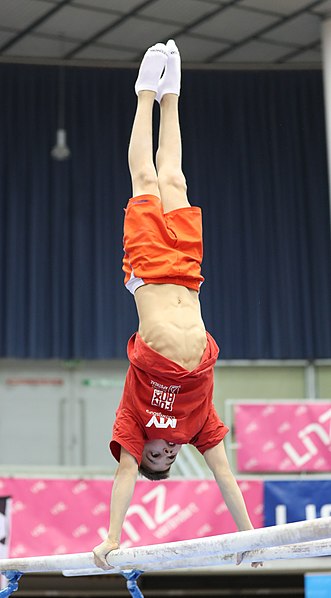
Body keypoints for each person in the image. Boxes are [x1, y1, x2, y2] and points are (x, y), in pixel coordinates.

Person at [93, 41, 261, 569]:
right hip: (187, 276)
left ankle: (144, 94)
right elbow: (226, 476)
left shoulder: (134, 421)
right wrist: (250, 539)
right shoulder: (197, 426)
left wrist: (112, 536)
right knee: (176, 180)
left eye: (154, 459)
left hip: (148, 273)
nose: (162, 453)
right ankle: (173, 97)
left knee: (145, 180)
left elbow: (124, 474)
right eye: (167, 459)